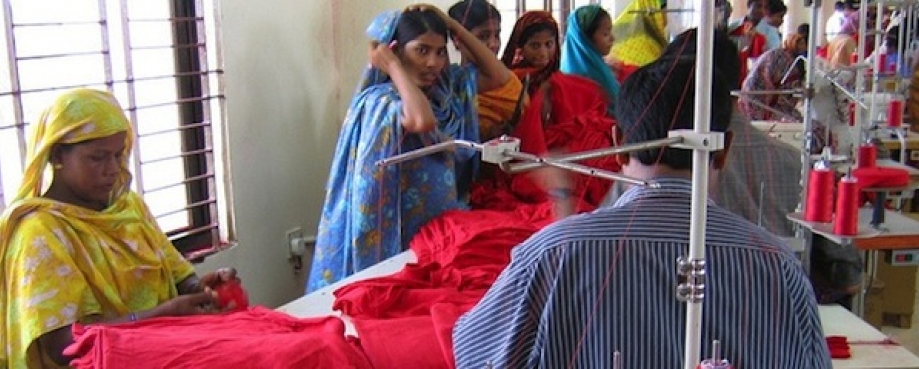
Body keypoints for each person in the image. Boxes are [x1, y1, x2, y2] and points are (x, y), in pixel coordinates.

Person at [453, 57, 831, 368]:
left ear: (618, 144)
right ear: (724, 149)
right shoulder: (779, 266)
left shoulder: (552, 254)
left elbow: (474, 356)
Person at [0, 89, 239, 369]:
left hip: (169, 354)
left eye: (118, 154)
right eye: (97, 158)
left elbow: (177, 276)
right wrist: (161, 316)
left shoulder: (129, 209)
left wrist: (202, 290)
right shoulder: (39, 233)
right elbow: (65, 346)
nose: (113, 169)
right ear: (57, 155)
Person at [306, 5, 508, 292]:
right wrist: (392, 67)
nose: (433, 63)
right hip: (395, 232)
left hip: (437, 227)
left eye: (440, 52)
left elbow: (499, 76)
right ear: (395, 50)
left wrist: (452, 25)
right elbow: (421, 120)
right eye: (421, 50)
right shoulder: (380, 102)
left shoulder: (446, 92)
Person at [448, 0, 525, 142]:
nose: (494, 44)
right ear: (457, 39)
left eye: (497, 35)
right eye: (483, 37)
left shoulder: (505, 78)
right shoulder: (449, 83)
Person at [560, 4, 620, 112]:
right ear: (586, 39)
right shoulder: (587, 76)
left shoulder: (596, 65)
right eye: (605, 34)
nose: (612, 38)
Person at [739, 33, 809, 121]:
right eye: (800, 43)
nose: (804, 47)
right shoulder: (785, 60)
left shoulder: (780, 54)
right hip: (762, 103)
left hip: (752, 99)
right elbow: (789, 91)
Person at [727, 0, 767, 80]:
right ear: (749, 5)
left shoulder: (767, 32)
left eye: (765, 8)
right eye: (758, 6)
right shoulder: (734, 27)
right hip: (732, 74)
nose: (762, 11)